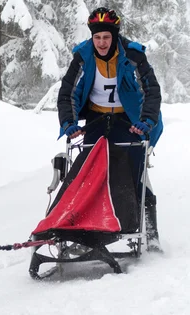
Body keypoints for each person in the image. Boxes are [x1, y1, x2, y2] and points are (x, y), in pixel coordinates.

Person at [56, 7, 163, 252]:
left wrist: (146, 121)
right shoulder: (83, 57)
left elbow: (151, 91)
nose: (102, 43)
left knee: (135, 174)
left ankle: (151, 233)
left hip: (129, 121)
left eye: (106, 37)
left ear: (114, 36)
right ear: (91, 38)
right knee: (88, 174)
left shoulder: (133, 56)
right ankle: (82, 230)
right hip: (96, 120)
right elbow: (67, 94)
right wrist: (69, 124)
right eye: (97, 37)